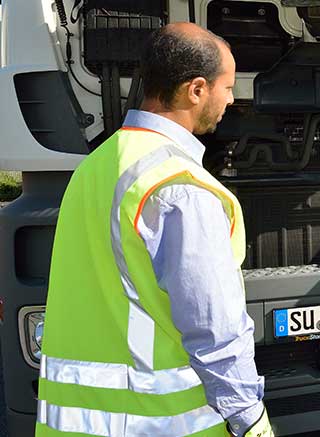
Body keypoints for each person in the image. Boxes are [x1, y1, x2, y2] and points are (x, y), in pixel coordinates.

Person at [37, 23, 273, 437]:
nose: (232, 99)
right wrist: (251, 421)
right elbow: (214, 329)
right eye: (227, 86)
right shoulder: (180, 187)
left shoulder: (97, 165)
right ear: (195, 89)